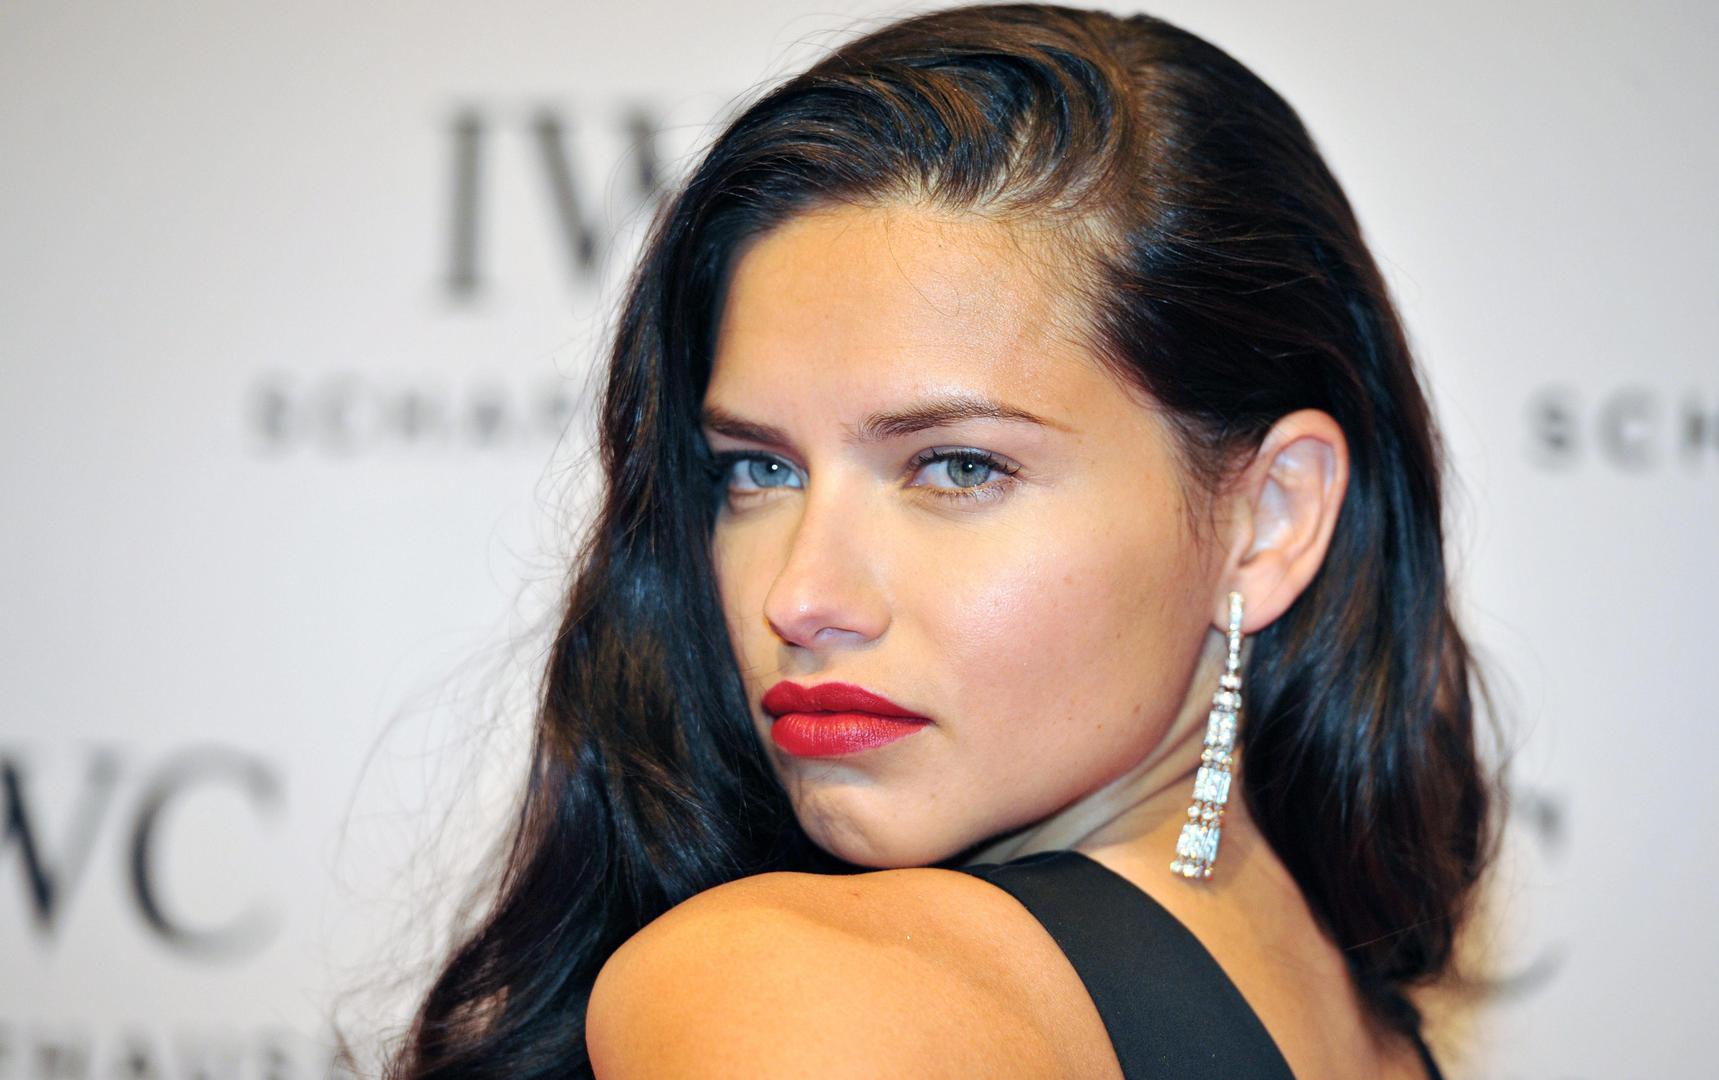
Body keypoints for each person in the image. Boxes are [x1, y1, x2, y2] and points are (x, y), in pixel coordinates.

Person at [385, 4, 1499, 1077]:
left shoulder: (793, 991)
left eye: (959, 467)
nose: (800, 596)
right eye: (758, 469)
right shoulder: (1362, 1026)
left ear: (1270, 518)